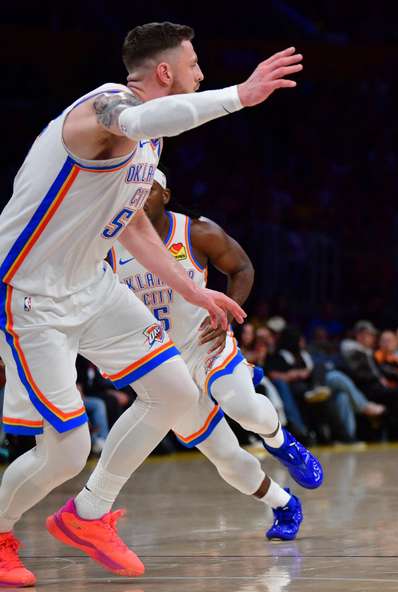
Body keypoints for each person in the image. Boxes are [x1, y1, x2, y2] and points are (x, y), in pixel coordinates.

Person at [0, 20, 302, 585]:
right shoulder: (108, 108)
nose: (202, 74)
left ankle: (88, 515)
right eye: (194, 66)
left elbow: (132, 223)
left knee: (174, 390)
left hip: (92, 285)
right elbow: (141, 118)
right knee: (66, 449)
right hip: (32, 292)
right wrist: (241, 95)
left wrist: (193, 289)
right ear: (165, 72)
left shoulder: (146, 144)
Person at [110, 169, 321, 540]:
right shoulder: (111, 245)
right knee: (224, 457)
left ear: (165, 195)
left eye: (149, 188)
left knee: (244, 407)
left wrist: (227, 314)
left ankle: (281, 443)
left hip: (204, 343)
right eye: (134, 189)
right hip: (161, 366)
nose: (140, 194)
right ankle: (284, 504)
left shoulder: (195, 232)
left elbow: (241, 267)